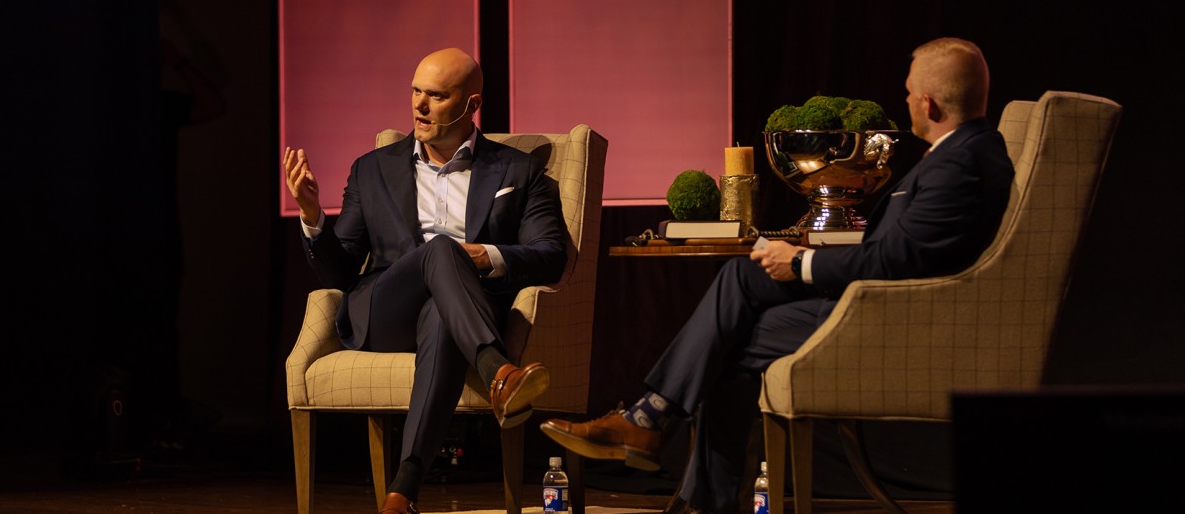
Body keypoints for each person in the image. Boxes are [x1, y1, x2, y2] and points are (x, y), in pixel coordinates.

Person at [539, 37, 1014, 514]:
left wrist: (801, 262)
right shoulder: (969, 154)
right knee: (738, 292)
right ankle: (661, 438)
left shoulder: (962, 163)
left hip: (894, 319)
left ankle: (658, 432)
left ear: (928, 103)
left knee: (729, 327)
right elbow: (900, 252)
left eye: (911, 93)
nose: (907, 100)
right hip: (883, 304)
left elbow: (894, 260)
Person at [282, 47, 568, 514]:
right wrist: (314, 218)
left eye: (435, 95)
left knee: (441, 311)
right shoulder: (371, 168)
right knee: (439, 249)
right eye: (416, 91)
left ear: (471, 105)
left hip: (458, 316)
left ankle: (402, 492)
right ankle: (499, 370)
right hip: (383, 312)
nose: (419, 105)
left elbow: (550, 256)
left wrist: (486, 255)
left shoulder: (518, 170)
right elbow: (340, 270)